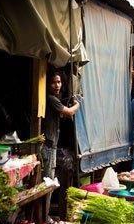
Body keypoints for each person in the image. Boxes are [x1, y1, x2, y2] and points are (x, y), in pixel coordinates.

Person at [42, 72, 80, 220]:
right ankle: (45, 217)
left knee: (49, 181)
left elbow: (63, 114)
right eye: (53, 82)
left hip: (52, 145)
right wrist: (77, 104)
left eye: (59, 82)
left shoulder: (54, 100)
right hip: (49, 146)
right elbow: (69, 112)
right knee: (48, 182)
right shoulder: (51, 99)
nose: (57, 85)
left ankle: (45, 216)